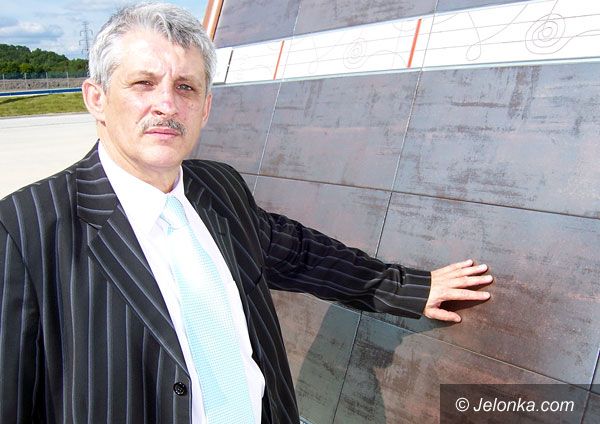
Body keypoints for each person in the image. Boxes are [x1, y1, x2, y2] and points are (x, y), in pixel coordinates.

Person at [0, 3, 493, 423]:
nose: (166, 104)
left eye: (186, 87)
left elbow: (300, 254)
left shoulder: (219, 189)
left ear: (206, 108)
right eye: (143, 83)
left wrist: (406, 287)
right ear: (97, 98)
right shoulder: (25, 230)